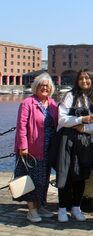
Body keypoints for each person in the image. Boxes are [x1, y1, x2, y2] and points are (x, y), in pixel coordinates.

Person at [55, 69, 93, 223]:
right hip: (69, 140)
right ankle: (62, 208)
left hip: (87, 142)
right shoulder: (70, 96)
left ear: (92, 80)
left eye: (87, 78)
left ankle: (76, 207)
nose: (84, 81)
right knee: (65, 173)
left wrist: (85, 128)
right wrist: (81, 119)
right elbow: (62, 119)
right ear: (77, 81)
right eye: (81, 78)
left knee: (81, 174)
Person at [13, 73, 58, 222]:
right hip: (31, 149)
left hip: (47, 149)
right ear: (36, 87)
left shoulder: (52, 104)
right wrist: (23, 146)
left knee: (43, 180)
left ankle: (41, 206)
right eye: (41, 85)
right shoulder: (28, 103)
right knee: (30, 179)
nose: (44, 88)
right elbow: (21, 126)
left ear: (51, 88)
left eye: (47, 86)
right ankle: (32, 210)